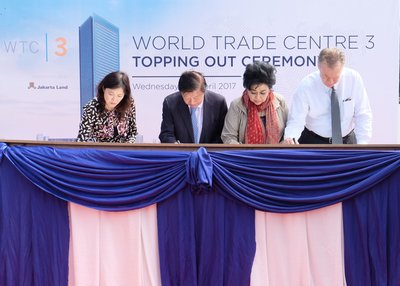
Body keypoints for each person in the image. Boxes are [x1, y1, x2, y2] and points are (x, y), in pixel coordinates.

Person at [284, 48, 372, 144]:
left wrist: (363, 143)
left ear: (342, 68)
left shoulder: (354, 79)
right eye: (325, 76)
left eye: (335, 77)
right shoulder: (306, 85)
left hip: (347, 140)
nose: (330, 82)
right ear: (319, 67)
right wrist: (291, 139)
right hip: (313, 141)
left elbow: (362, 114)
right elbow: (296, 119)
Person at [221, 61, 288, 144]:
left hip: (275, 154)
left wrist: (282, 146)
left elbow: (288, 132)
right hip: (246, 155)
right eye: (253, 92)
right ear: (247, 89)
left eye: (263, 93)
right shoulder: (237, 105)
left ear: (269, 90)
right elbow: (228, 136)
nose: (257, 97)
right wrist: (245, 152)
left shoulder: (280, 102)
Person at [159, 70, 228, 143]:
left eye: (196, 97)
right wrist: (175, 145)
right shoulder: (170, 103)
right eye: (187, 98)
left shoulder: (218, 102)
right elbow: (166, 134)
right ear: (181, 93)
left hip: (210, 153)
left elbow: (223, 134)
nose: (192, 102)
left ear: (204, 91)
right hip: (182, 153)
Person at [77, 71, 137, 143]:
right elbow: (82, 139)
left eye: (119, 96)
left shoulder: (129, 103)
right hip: (98, 151)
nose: (114, 99)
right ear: (103, 88)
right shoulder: (92, 108)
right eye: (111, 94)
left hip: (122, 150)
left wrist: (126, 147)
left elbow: (133, 132)